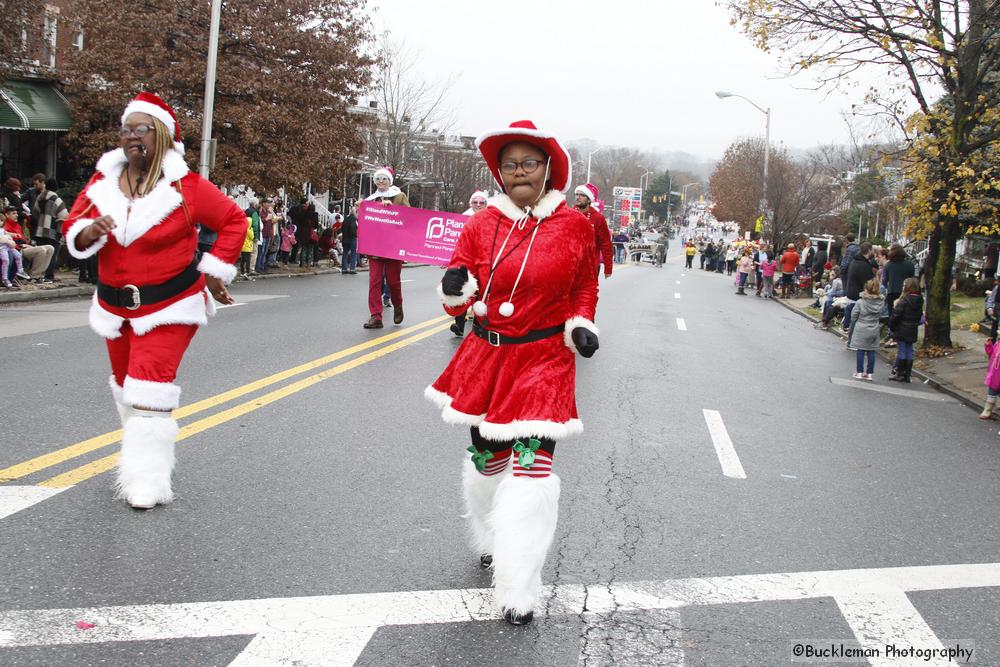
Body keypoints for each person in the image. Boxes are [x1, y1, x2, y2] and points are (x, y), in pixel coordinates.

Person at [425, 120, 599, 626]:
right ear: (498, 173)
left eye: (529, 163)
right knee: (488, 462)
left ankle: (519, 589)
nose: (519, 171)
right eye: (509, 164)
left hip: (544, 362)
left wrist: (581, 324)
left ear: (548, 168)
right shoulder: (481, 224)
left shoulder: (574, 225)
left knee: (532, 471)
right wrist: (455, 287)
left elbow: (585, 285)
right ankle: (488, 535)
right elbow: (457, 298)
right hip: (488, 358)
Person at [62, 92, 246, 509]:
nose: (130, 137)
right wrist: (88, 233)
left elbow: (234, 220)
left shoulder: (187, 187)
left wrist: (215, 273)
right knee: (127, 387)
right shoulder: (101, 183)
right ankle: (146, 450)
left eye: (140, 129)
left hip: (170, 304)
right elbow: (73, 223)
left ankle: (147, 480)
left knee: (148, 389)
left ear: (161, 135)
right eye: (125, 129)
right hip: (113, 307)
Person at [363, 166, 408, 329]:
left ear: (390, 181)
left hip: (393, 247)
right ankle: (376, 316)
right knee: (374, 281)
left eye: (384, 179)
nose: (381, 182)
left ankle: (398, 305)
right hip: (375, 247)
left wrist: (393, 209)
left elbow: (409, 218)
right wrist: (358, 210)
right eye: (378, 179)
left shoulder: (399, 196)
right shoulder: (370, 199)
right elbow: (364, 222)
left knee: (393, 281)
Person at [30, 174, 68, 282]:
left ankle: (39, 275)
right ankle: (49, 276)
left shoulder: (40, 197)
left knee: (42, 253)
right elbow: (64, 215)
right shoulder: (57, 199)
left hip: (41, 230)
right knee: (52, 254)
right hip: (53, 230)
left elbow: (35, 212)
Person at [573, 183, 613, 279]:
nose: (578, 197)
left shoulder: (598, 218)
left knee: (587, 294)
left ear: (589, 199)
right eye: (576, 194)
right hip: (571, 265)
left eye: (582, 195)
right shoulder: (569, 214)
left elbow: (606, 243)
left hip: (590, 267)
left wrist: (608, 268)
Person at [3, 205, 52, 280]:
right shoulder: (5, 226)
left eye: (16, 213)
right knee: (41, 250)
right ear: (7, 215)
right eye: (13, 213)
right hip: (17, 249)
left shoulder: (17, 225)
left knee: (50, 248)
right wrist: (22, 245)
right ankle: (34, 276)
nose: (16, 215)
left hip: (24, 246)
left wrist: (29, 243)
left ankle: (40, 273)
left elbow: (23, 238)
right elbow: (8, 242)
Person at [888, 277, 922, 383]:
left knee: (902, 351)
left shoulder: (904, 300)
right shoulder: (919, 300)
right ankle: (907, 374)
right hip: (912, 329)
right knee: (910, 351)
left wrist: (892, 327)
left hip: (902, 329)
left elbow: (896, 315)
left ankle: (900, 373)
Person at [849, 279, 884, 381]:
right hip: (874, 327)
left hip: (862, 326)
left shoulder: (861, 302)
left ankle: (859, 372)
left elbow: (854, 315)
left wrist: (854, 321)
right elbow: (880, 314)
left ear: (866, 289)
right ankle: (869, 373)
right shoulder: (880, 302)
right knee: (871, 351)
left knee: (860, 350)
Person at [340, 205, 358, 274]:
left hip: (345, 238)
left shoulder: (345, 219)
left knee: (345, 253)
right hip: (352, 238)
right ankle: (352, 268)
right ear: (355, 212)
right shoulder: (354, 219)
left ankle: (344, 268)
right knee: (353, 253)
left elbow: (342, 228)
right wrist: (355, 235)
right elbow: (353, 228)